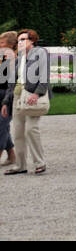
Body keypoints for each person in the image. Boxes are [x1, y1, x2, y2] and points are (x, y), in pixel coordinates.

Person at [2, 28, 51, 175]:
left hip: (32, 96)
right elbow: (12, 84)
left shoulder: (40, 54)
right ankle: (20, 165)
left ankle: (40, 163)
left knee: (31, 129)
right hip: (18, 98)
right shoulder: (18, 59)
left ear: (32, 41)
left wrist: (37, 94)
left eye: (23, 39)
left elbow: (44, 76)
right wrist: (6, 103)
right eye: (19, 40)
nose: (20, 42)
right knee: (18, 132)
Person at [0, 32, 17, 168]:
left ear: (11, 45)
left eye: (2, 43)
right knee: (3, 126)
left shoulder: (13, 59)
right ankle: (11, 154)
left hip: (8, 95)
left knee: (1, 125)